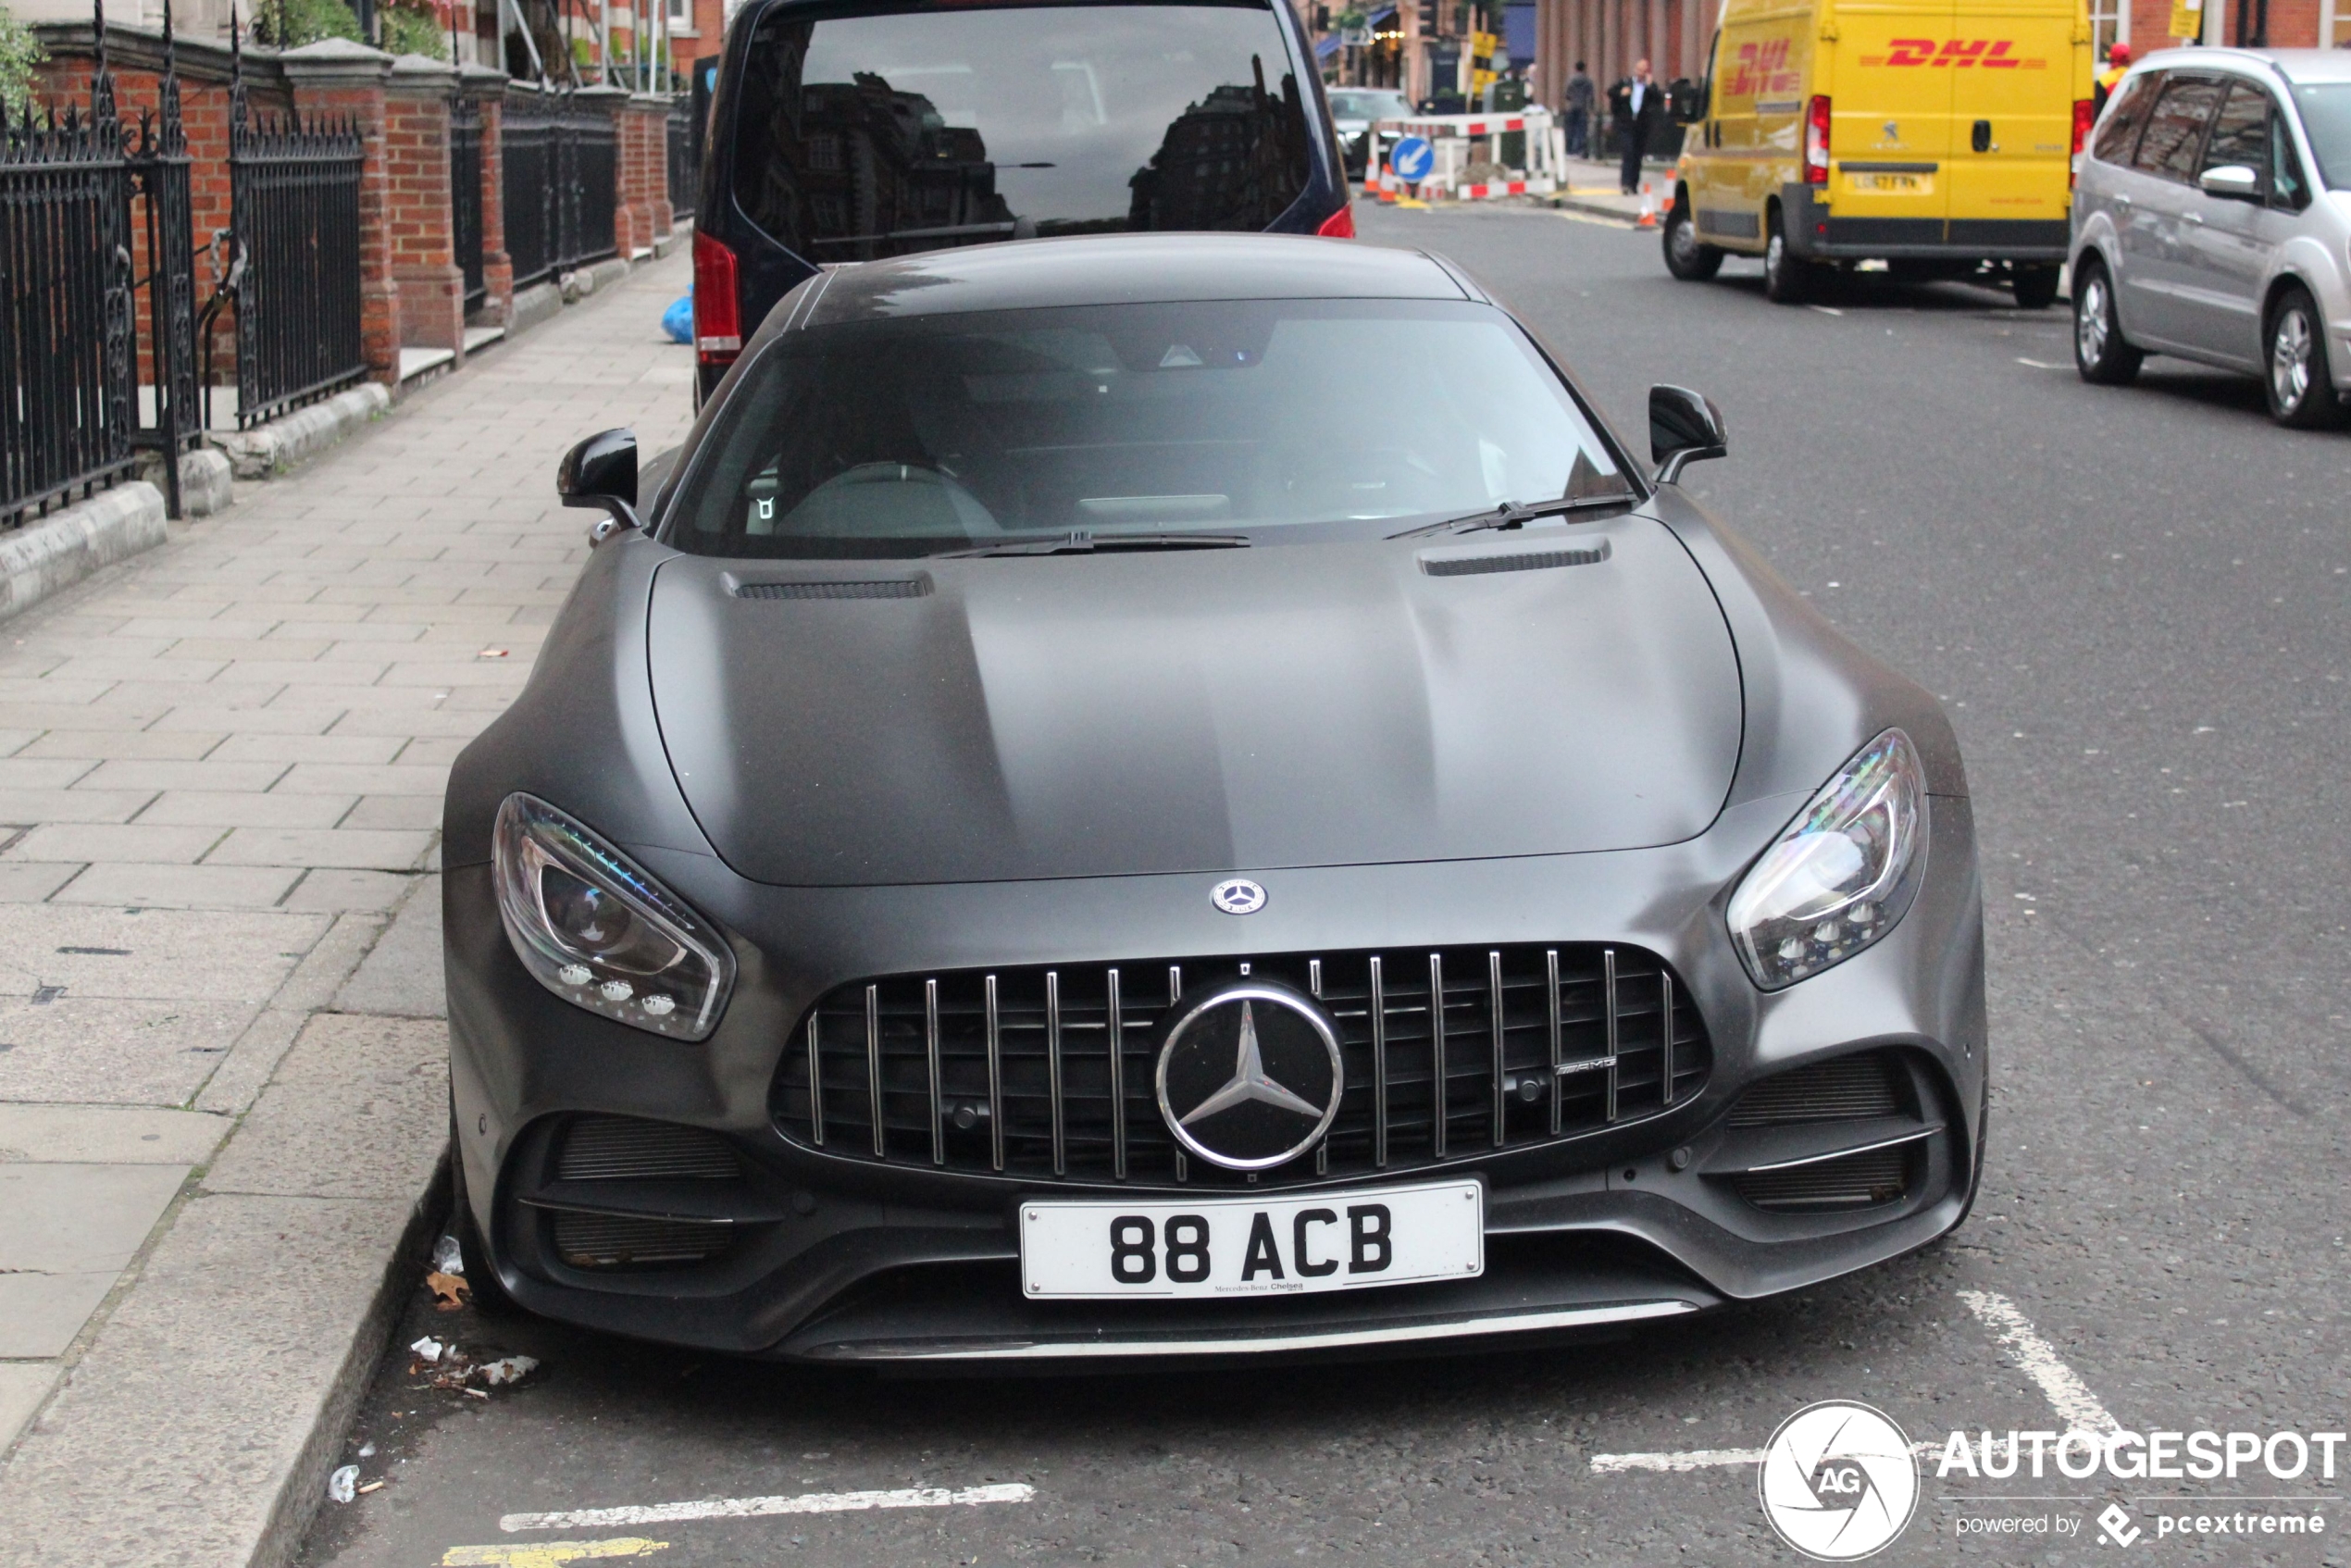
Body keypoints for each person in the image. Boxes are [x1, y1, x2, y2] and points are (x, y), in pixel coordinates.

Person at [1613, 58, 1663, 196]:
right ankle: (1625, 183)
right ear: (1635, 70)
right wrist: (1620, 93)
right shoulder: (1626, 83)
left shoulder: (1650, 87)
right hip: (1626, 125)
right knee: (1628, 152)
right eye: (1639, 70)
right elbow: (1611, 93)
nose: (1641, 73)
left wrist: (1650, 85)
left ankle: (1634, 184)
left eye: (1644, 70)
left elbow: (1659, 100)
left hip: (1642, 126)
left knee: (1637, 156)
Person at [1565, 60, 1595, 158]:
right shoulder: (1588, 81)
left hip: (1572, 106)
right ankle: (1578, 150)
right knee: (1581, 130)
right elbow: (1590, 96)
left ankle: (1569, 151)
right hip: (1583, 107)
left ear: (1575, 68)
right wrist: (1591, 108)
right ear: (1584, 68)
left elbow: (1567, 95)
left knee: (1570, 129)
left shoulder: (1570, 80)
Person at [2094, 42, 2131, 117]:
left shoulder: (2103, 80)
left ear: (2111, 59)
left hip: (2109, 121)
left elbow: (2098, 110)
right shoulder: (2133, 76)